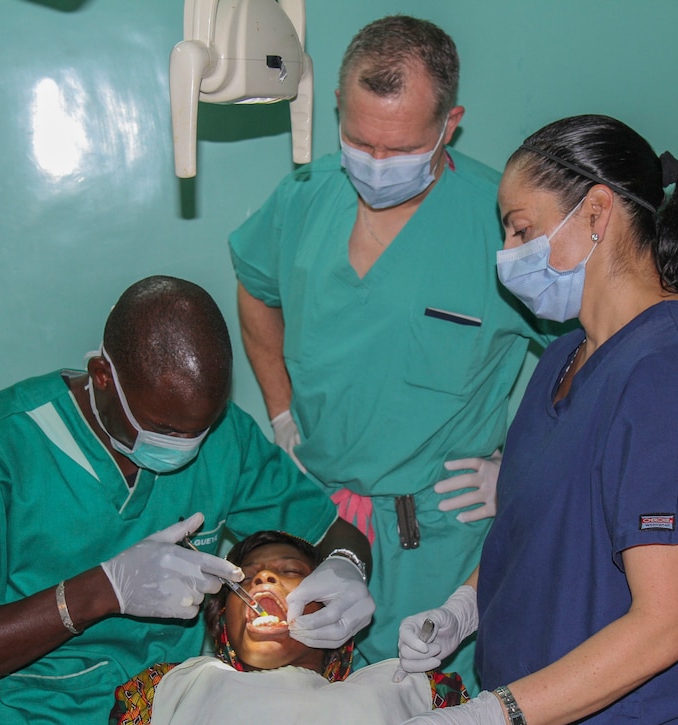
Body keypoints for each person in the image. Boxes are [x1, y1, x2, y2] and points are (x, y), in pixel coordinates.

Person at [396, 115, 678, 724]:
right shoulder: (563, 359)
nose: (507, 256)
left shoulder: (674, 371)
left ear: (597, 214)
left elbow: (664, 625)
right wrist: (466, 606)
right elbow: (536, 530)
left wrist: (498, 715)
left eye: (523, 230)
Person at [0, 275, 374, 724]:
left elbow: (333, 533)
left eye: (199, 430)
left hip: (165, 712)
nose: (186, 447)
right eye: (164, 429)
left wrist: (348, 566)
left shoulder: (225, 441)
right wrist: (100, 591)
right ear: (102, 377)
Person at [228, 15, 549, 690]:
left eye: (398, 147)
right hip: (317, 517)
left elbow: (592, 358)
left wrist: (525, 469)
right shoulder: (304, 198)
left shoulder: (502, 222)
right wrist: (282, 410)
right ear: (339, 109)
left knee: (432, 696)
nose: (374, 164)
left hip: (436, 534)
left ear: (449, 123)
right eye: (358, 139)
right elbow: (256, 290)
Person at [109, 530, 469, 725]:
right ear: (222, 624)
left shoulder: (417, 690)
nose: (263, 577)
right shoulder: (166, 690)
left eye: (291, 571)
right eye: (245, 578)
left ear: (336, 602)